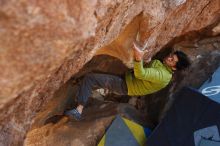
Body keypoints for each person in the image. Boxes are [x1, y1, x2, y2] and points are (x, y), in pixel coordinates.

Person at [64, 43, 191, 120]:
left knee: (91, 78)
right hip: (127, 79)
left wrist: (138, 57)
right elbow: (150, 66)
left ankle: (78, 110)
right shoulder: (162, 65)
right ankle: (80, 84)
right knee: (98, 77)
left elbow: (141, 73)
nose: (169, 58)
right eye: (171, 55)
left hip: (125, 85)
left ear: (174, 67)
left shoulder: (163, 76)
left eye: (172, 60)